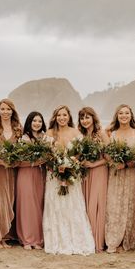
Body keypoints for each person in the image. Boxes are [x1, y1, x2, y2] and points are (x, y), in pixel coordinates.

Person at [43, 105, 95, 255]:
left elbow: (81, 154)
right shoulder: (50, 133)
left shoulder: (76, 132)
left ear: (69, 117)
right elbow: (46, 155)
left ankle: (76, 239)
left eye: (64, 115)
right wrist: (55, 167)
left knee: (73, 205)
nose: (62, 118)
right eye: (59, 115)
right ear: (55, 117)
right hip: (54, 175)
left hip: (72, 174)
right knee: (56, 206)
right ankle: (57, 240)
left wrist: (72, 164)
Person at [105, 104, 135, 253]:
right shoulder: (111, 133)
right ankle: (113, 240)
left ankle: (126, 240)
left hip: (132, 172)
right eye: (120, 113)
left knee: (130, 204)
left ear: (131, 115)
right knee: (114, 204)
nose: (124, 116)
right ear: (117, 116)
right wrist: (114, 162)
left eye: (126, 113)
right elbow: (107, 153)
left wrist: (127, 164)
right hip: (115, 173)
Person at [0, 98, 22, 249]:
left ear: (12, 111)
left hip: (12, 171)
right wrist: (2, 162)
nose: (5, 112)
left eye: (8, 109)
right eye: (2, 109)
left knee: (10, 201)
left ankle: (7, 235)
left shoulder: (18, 130)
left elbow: (22, 152)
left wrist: (15, 161)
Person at [78, 107, 109, 252]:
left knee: (95, 206)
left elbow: (109, 158)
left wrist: (93, 164)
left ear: (93, 118)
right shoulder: (81, 136)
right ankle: (87, 239)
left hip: (99, 172)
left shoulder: (101, 134)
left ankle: (97, 242)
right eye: (82, 118)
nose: (85, 120)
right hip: (85, 174)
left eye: (87, 117)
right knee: (84, 205)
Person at [16, 111, 47, 250]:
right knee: (27, 205)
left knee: (39, 205)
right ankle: (27, 239)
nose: (37, 123)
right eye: (34, 121)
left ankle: (38, 239)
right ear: (29, 122)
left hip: (40, 175)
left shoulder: (45, 138)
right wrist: (37, 161)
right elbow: (19, 161)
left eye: (39, 121)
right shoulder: (23, 138)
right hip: (26, 174)